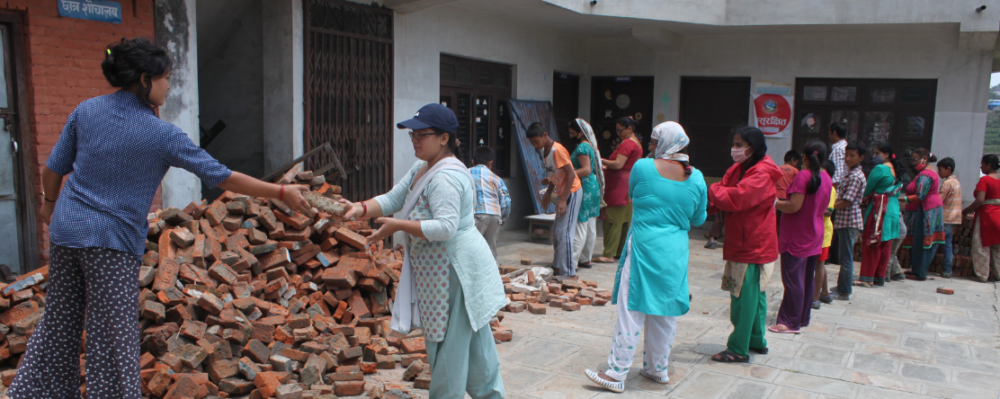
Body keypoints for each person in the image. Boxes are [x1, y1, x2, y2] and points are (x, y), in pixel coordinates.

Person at [6, 38, 313, 399]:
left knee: (60, 320)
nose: (169, 85)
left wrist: (48, 205)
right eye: (166, 78)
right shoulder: (161, 134)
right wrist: (279, 191)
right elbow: (222, 176)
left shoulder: (86, 110)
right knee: (112, 335)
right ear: (144, 79)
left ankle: (33, 393)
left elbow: (53, 169)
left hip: (66, 230)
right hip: (111, 241)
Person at [338, 103, 506, 398]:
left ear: (444, 138)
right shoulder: (423, 168)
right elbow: (393, 198)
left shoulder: (445, 177)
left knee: (449, 349)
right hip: (447, 268)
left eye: (422, 134)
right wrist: (360, 208)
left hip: (454, 270)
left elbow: (445, 227)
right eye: (412, 134)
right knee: (475, 342)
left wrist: (398, 226)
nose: (415, 140)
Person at [584, 122, 706, 393]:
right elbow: (699, 218)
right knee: (665, 310)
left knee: (632, 309)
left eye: (652, 141)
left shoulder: (643, 167)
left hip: (644, 247)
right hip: (675, 252)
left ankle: (616, 372)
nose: (649, 146)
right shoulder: (697, 177)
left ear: (663, 143)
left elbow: (632, 195)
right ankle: (657, 368)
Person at [707, 127, 782, 363]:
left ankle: (738, 348)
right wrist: (719, 191)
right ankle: (756, 340)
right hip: (745, 239)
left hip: (751, 243)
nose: (735, 149)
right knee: (756, 294)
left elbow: (735, 197)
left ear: (753, 146)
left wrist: (712, 190)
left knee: (743, 296)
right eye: (734, 144)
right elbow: (725, 187)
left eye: (739, 145)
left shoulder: (760, 173)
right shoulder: (741, 168)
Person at [771, 141, 831, 334]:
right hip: (815, 233)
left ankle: (789, 321)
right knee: (806, 278)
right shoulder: (826, 177)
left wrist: (775, 203)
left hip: (797, 235)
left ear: (804, 157)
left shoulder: (803, 176)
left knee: (793, 280)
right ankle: (802, 318)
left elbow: (794, 206)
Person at [528, 122, 583, 277]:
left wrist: (563, 200)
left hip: (571, 192)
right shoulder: (545, 151)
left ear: (545, 135)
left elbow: (571, 174)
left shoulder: (557, 150)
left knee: (565, 234)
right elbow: (555, 175)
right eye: (532, 143)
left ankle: (569, 273)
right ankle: (557, 266)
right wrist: (548, 192)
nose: (535, 145)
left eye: (536, 141)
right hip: (561, 192)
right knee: (557, 232)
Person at [596, 117, 643, 262]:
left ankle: (609, 253)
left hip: (618, 184)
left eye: (620, 130)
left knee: (612, 219)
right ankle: (618, 251)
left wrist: (601, 161)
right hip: (628, 183)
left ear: (630, 129)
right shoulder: (637, 143)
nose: (618, 133)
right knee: (624, 220)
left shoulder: (627, 143)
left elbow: (618, 164)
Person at [858, 142, 903, 286]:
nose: (875, 156)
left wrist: (865, 199)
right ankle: (879, 277)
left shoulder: (880, 168)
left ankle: (867, 277)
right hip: (893, 208)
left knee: (873, 242)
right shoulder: (896, 169)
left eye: (878, 153)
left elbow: (867, 189)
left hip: (879, 208)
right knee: (885, 244)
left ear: (886, 155)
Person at [900, 149, 945, 281]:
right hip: (931, 208)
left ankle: (920, 272)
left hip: (927, 209)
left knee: (922, 241)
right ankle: (918, 270)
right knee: (924, 241)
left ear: (924, 158)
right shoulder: (931, 172)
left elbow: (920, 195)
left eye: (915, 159)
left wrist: (899, 199)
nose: (914, 163)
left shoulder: (925, 174)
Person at [567, 119, 604, 269]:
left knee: (580, 224)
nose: (570, 135)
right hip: (593, 187)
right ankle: (585, 258)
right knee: (590, 225)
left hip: (584, 187)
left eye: (572, 132)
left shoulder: (582, 147)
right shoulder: (591, 146)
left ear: (581, 132)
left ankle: (573, 262)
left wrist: (567, 175)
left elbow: (586, 169)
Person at [831, 141, 866, 300]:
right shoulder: (849, 173)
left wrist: (829, 207)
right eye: (846, 155)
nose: (847, 158)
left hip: (849, 221)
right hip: (844, 221)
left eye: (852, 155)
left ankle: (844, 291)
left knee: (846, 258)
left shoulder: (855, 177)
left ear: (861, 158)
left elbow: (847, 200)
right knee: (844, 256)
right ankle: (841, 286)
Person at [469, 147, 511, 260]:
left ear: (473, 161)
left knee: (473, 251)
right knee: (491, 252)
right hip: (495, 215)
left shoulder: (466, 173)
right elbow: (506, 202)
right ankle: (493, 276)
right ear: (491, 163)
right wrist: (502, 218)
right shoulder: (496, 178)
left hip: (476, 215)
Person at [964, 154, 1000, 282]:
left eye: (982, 164)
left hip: (987, 215)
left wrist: (967, 210)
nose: (981, 167)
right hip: (999, 215)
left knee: (981, 245)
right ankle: (999, 274)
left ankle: (982, 275)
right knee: (998, 247)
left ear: (988, 165)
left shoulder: (985, 180)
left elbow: (980, 200)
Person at [812, 160, 838, 310]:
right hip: (819, 230)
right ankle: (825, 293)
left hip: (824, 231)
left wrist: (812, 210)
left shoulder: (830, 189)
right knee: (819, 265)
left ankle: (815, 298)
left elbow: (829, 211)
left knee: (819, 265)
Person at [937, 157, 961, 278]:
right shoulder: (956, 182)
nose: (938, 172)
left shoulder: (947, 183)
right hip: (953, 219)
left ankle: (923, 267)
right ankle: (947, 270)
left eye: (940, 170)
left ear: (948, 169)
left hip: (944, 218)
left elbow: (939, 200)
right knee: (947, 245)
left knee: (934, 242)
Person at [828, 122, 849, 187]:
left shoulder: (838, 149)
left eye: (830, 133)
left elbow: (838, 176)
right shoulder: (845, 146)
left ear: (834, 133)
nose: (829, 136)